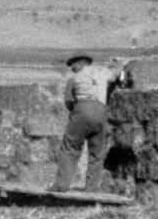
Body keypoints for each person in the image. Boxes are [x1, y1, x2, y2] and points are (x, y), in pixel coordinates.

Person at [51, 53, 129, 192]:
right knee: (97, 152)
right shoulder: (103, 73)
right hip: (101, 111)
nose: (72, 69)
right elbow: (117, 74)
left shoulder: (74, 78)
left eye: (72, 66)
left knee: (70, 148)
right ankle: (91, 188)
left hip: (81, 110)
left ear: (79, 64)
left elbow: (69, 101)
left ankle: (61, 185)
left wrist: (76, 112)